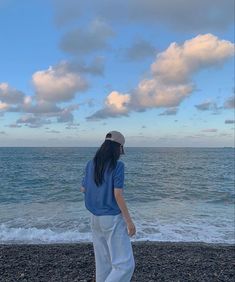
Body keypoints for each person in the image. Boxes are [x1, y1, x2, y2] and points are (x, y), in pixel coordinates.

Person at [81, 131, 136, 282]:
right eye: (121, 148)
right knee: (125, 265)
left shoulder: (90, 164)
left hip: (94, 218)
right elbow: (117, 195)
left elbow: (83, 189)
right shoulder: (117, 166)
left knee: (103, 264)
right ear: (118, 148)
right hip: (111, 219)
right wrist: (129, 221)